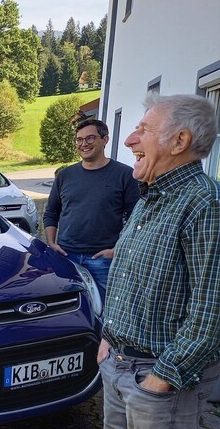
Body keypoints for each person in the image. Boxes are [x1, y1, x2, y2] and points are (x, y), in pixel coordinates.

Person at [98, 94, 220, 428]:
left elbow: (211, 310)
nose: (129, 139)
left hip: (159, 381)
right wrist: (109, 339)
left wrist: (161, 379)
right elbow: (129, 278)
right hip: (119, 364)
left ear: (180, 141)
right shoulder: (150, 196)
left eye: (144, 130)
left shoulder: (205, 202)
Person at [43, 118, 140, 302]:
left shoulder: (125, 175)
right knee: (70, 309)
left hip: (104, 260)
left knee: (106, 309)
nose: (84, 144)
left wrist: (116, 249)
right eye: (79, 140)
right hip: (66, 257)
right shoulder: (65, 175)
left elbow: (137, 219)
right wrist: (51, 243)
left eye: (90, 138)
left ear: (105, 140)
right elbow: (51, 212)